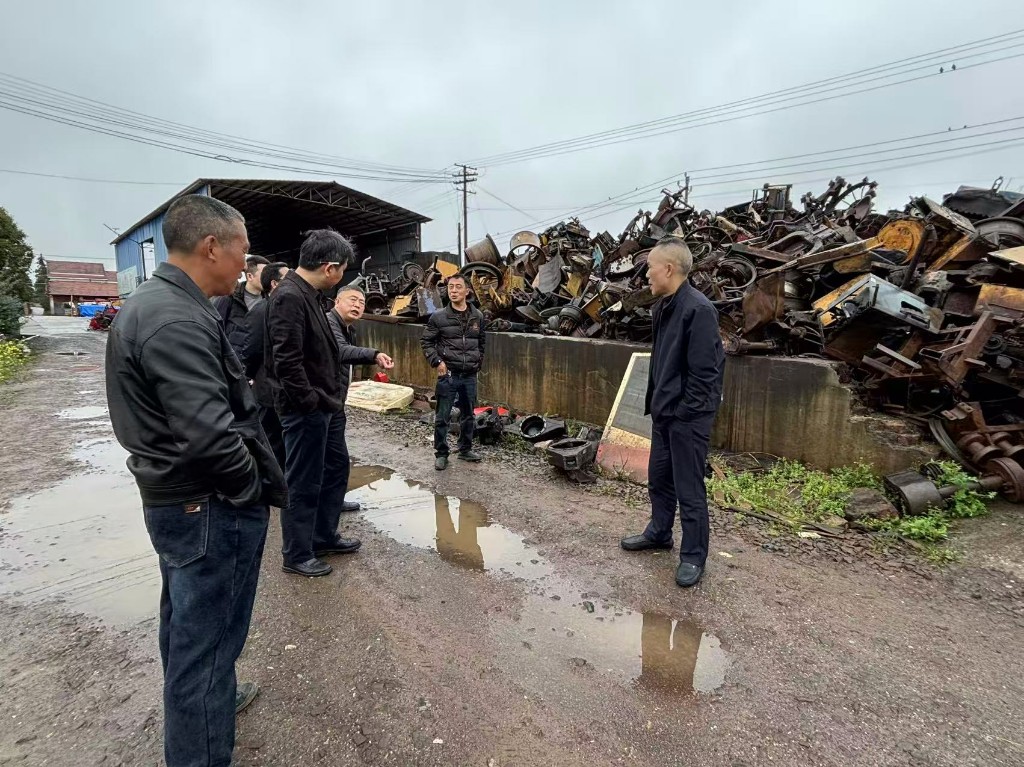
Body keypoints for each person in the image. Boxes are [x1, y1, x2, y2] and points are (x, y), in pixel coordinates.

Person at [105, 194, 287, 767]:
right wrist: (250, 490)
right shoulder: (176, 319)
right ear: (212, 246)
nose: (245, 265)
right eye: (242, 252)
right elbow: (209, 437)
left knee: (186, 625)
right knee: (205, 650)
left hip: (182, 502)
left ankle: (213, 700)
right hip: (205, 505)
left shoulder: (160, 304)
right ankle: (201, 738)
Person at [620, 236, 725, 589]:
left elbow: (705, 373)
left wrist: (684, 412)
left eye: (650, 267)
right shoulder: (663, 306)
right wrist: (660, 406)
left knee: (689, 488)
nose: (646, 274)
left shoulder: (698, 310)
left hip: (687, 419)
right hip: (664, 414)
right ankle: (659, 532)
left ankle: (694, 556)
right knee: (659, 479)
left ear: (668, 268)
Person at [266, 229, 361, 578]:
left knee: (334, 470)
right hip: (305, 409)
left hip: (325, 405)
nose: (341, 278)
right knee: (303, 481)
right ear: (330, 267)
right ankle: (297, 552)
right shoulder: (289, 297)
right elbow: (286, 361)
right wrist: (310, 402)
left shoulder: (310, 295)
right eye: (342, 270)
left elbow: (325, 351)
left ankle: (323, 536)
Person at [325, 284, 394, 491]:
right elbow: (341, 351)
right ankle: (324, 505)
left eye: (362, 303)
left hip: (335, 400)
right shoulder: (329, 323)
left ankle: (332, 501)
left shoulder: (348, 328)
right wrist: (374, 354)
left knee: (335, 458)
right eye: (352, 300)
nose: (357, 305)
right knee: (331, 458)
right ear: (337, 301)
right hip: (324, 401)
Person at [420, 274, 486, 471]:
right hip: (448, 375)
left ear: (467, 291)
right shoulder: (439, 317)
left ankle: (465, 449)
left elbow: (481, 342)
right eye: (450, 287)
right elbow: (426, 342)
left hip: (469, 375)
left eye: (458, 287)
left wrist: (478, 362)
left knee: (468, 415)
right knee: (443, 416)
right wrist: (437, 361)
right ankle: (441, 453)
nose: (454, 291)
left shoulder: (478, 316)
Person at [242, 261, 290, 471]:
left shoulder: (296, 308)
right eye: (288, 280)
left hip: (292, 389)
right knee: (273, 442)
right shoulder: (260, 311)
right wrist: (252, 376)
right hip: (268, 389)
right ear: (274, 284)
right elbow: (251, 350)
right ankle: (276, 488)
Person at [213, 253, 270, 358]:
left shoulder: (270, 301)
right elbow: (215, 331)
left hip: (261, 366)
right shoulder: (229, 298)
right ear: (249, 276)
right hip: (235, 365)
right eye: (265, 274)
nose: (269, 278)